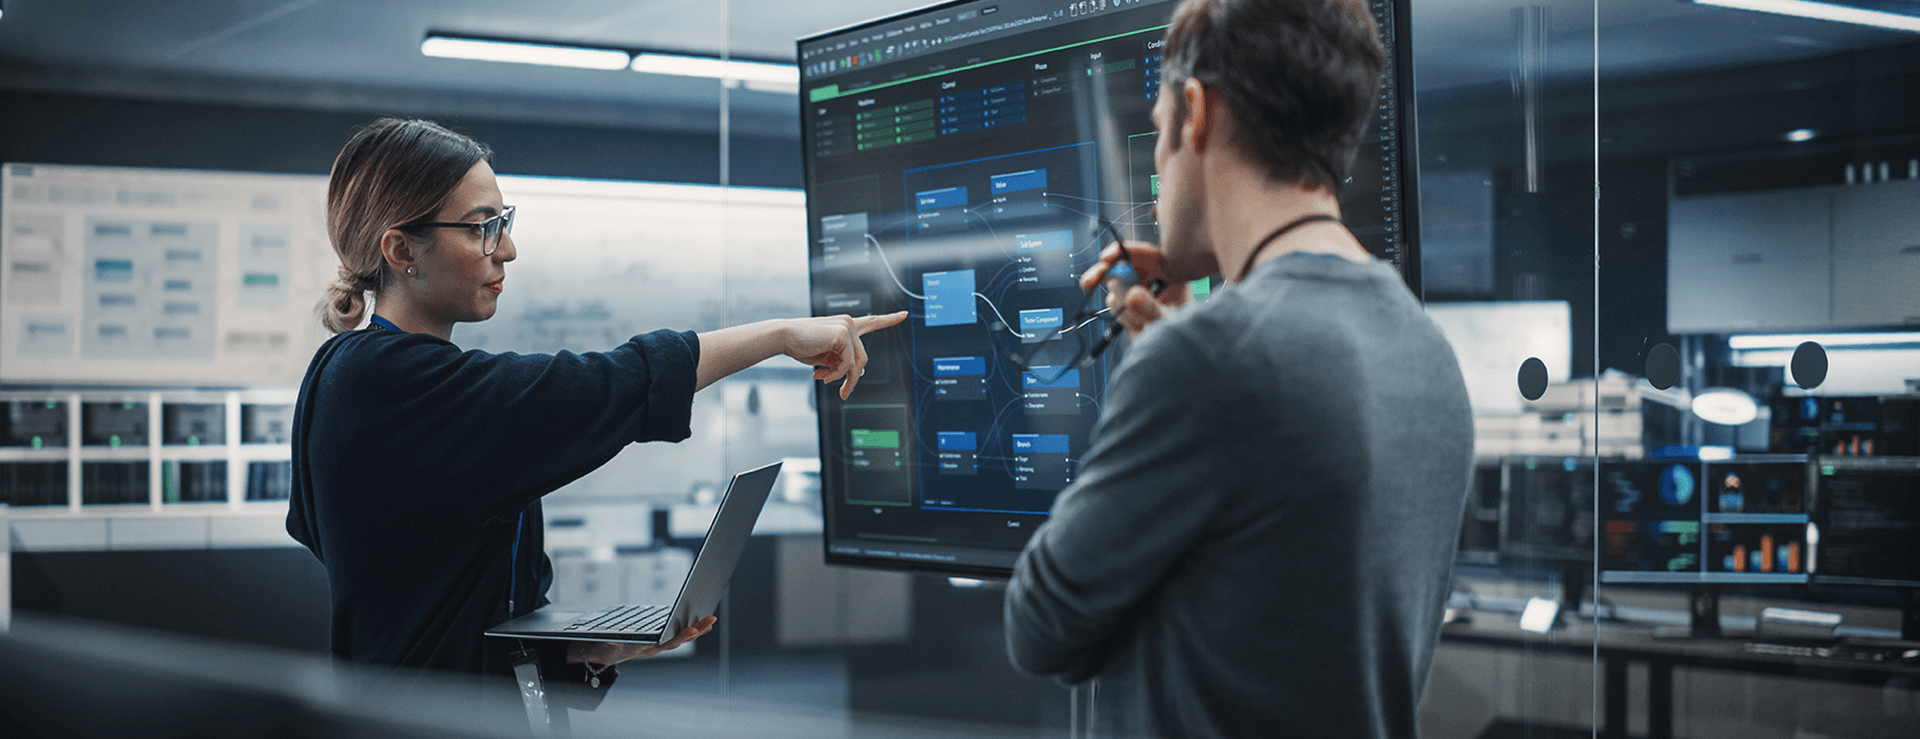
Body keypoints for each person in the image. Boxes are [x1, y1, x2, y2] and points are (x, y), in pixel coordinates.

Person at [286, 117, 904, 708]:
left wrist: (584, 650)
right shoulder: (381, 380)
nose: (509, 250)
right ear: (402, 249)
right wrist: (777, 335)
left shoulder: (366, 376)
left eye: (504, 222)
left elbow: (433, 592)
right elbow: (606, 386)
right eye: (482, 228)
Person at [1001, 0, 1474, 736]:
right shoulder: (1425, 350)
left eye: (1157, 135)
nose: (1159, 169)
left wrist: (1164, 357)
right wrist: (1185, 335)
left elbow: (1040, 627)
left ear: (1195, 112)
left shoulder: (1207, 362)